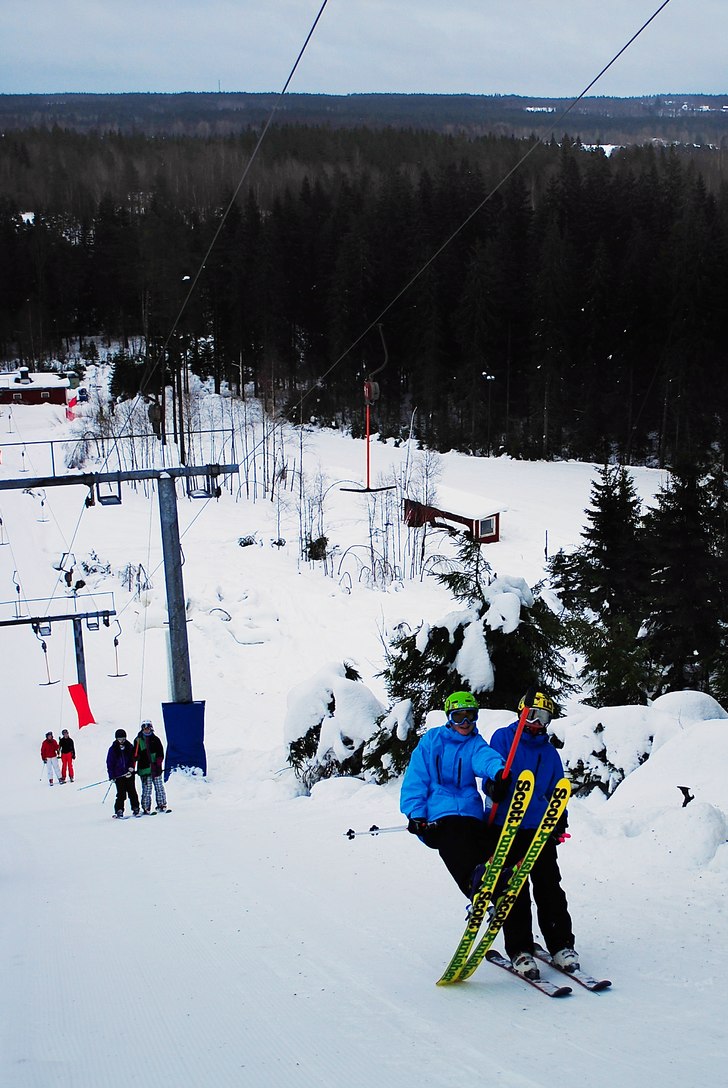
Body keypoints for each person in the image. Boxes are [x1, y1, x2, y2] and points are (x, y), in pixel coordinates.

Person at [487, 690, 578, 980]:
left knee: (549, 885)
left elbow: (555, 788)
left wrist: (559, 818)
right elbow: (490, 770)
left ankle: (561, 944)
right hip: (507, 826)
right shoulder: (504, 738)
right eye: (533, 715)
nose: (537, 723)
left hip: (539, 829)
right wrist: (494, 787)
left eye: (544, 717)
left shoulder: (549, 752)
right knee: (514, 889)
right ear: (521, 713)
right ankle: (520, 948)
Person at [400, 691, 511, 899]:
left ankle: (495, 883)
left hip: (470, 812)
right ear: (449, 718)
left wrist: (498, 771)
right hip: (439, 814)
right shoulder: (432, 740)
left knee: (482, 840)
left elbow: (485, 758)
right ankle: (472, 884)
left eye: (470, 715)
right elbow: (416, 777)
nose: (466, 722)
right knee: (453, 839)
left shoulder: (475, 743)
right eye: (459, 716)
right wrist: (415, 813)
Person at [134, 720, 168, 814]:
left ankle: (162, 804)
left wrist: (158, 762)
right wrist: (136, 757)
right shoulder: (138, 741)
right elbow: (134, 755)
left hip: (155, 768)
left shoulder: (155, 739)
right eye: (145, 729)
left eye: (148, 728)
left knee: (159, 787)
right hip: (144, 769)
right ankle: (146, 807)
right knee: (147, 788)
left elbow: (160, 753)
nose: (147, 730)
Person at [106, 729, 140, 818]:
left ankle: (136, 808)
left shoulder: (129, 746)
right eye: (120, 739)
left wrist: (131, 768)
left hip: (129, 774)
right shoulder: (113, 749)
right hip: (119, 775)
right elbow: (110, 763)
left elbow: (133, 759)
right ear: (116, 739)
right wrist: (112, 775)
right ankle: (119, 810)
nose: (122, 741)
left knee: (132, 792)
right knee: (121, 794)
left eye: (123, 739)